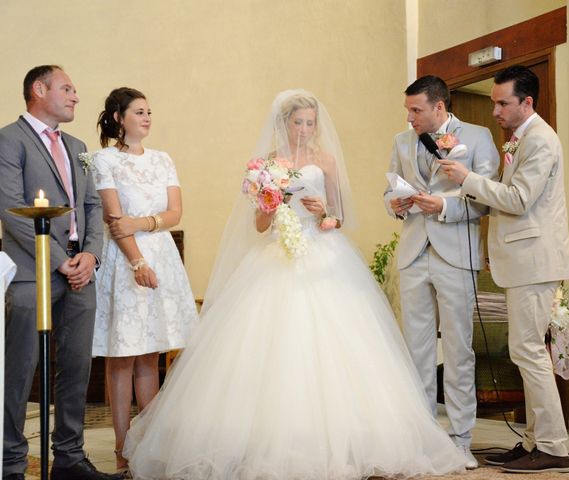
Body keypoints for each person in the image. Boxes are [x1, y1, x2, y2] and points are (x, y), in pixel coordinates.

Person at [122, 90, 467, 479]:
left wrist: (325, 214)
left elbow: (340, 217)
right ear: (284, 123)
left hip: (323, 256)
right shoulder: (268, 165)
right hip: (274, 256)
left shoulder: (326, 161)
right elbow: (258, 225)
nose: (304, 130)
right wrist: (270, 205)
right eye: (297, 122)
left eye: (310, 123)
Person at [440, 65, 569, 474]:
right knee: (525, 351)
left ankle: (553, 447)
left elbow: (517, 200)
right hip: (523, 261)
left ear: (526, 102)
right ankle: (534, 440)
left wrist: (467, 179)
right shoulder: (521, 139)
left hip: (535, 261)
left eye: (503, 103)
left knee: (529, 352)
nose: (495, 110)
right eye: (494, 102)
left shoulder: (542, 140)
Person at [0, 66, 122, 480]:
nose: (75, 96)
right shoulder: (8, 140)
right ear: (39, 89)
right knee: (20, 370)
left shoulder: (78, 145)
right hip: (33, 272)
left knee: (77, 368)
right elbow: (11, 208)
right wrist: (57, 260)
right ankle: (11, 463)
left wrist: (90, 256)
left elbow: (91, 207)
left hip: (79, 272)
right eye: (67, 88)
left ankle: (69, 457)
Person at [383, 75, 499, 468]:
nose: (410, 117)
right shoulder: (401, 141)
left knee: (458, 349)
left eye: (416, 110)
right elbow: (389, 190)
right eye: (408, 110)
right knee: (415, 349)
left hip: (455, 253)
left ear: (439, 107)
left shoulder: (478, 137)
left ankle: (460, 438)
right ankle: (421, 437)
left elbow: (486, 200)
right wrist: (395, 205)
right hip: (415, 252)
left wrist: (445, 208)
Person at [92, 87, 198, 475]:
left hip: (162, 256)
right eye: (139, 112)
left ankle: (147, 444)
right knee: (122, 355)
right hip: (126, 261)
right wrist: (137, 262)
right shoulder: (103, 160)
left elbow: (174, 213)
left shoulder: (163, 159)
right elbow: (114, 220)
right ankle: (121, 447)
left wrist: (145, 223)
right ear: (119, 118)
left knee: (151, 354)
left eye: (149, 111)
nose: (147, 118)